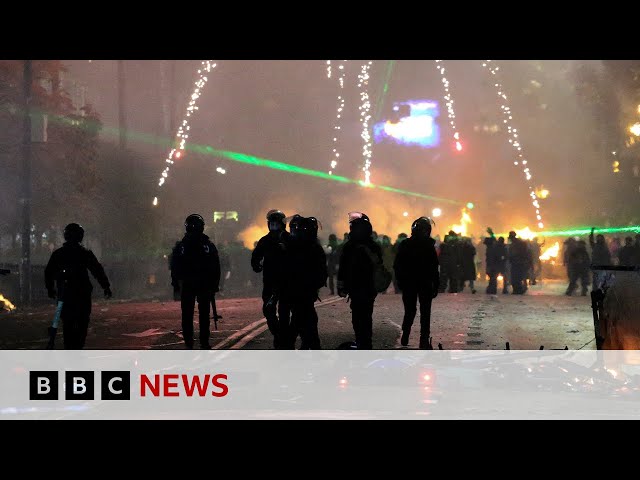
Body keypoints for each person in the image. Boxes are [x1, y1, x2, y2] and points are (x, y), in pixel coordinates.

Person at [44, 223, 112, 349]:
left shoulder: (59, 254)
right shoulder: (84, 253)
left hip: (65, 295)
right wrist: (106, 287)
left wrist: (50, 289)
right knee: (82, 325)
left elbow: (49, 272)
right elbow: (97, 270)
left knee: (68, 326)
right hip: (82, 295)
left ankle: (70, 351)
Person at [170, 214, 221, 349]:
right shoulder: (208, 246)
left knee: (187, 315)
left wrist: (175, 284)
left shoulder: (182, 246)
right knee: (204, 315)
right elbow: (215, 267)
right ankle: (204, 342)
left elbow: (174, 267)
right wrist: (215, 285)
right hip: (203, 284)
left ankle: (189, 343)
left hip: (188, 284)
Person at [337, 212, 383, 349]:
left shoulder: (351, 246)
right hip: (366, 288)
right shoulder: (372, 246)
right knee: (364, 317)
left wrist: (342, 286)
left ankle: (363, 342)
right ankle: (365, 343)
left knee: (359, 317)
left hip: (359, 288)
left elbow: (343, 269)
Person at [281, 215, 327, 349]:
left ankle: (301, 346)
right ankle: (309, 347)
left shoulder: (290, 246)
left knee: (300, 319)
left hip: (297, 291)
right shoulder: (312, 248)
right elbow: (321, 271)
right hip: (302, 291)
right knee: (305, 320)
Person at [393, 217, 439, 349]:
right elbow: (434, 267)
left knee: (411, 311)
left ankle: (407, 333)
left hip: (411, 283)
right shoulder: (428, 246)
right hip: (422, 283)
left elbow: (397, 265)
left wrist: (400, 281)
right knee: (424, 312)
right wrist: (436, 284)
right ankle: (422, 339)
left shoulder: (406, 244)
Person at [251, 209, 291, 348]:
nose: (274, 227)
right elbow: (256, 256)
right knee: (268, 310)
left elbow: (298, 257)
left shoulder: (289, 239)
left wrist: (286, 249)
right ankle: (278, 333)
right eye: (271, 224)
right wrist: (256, 266)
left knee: (284, 311)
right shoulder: (265, 240)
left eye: (276, 224)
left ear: (282, 224)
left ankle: (284, 338)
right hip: (269, 281)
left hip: (286, 282)